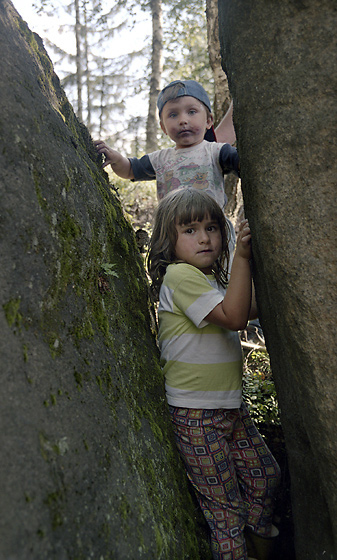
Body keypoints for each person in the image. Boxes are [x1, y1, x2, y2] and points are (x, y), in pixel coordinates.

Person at [147, 188, 281, 560]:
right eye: (189, 230)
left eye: (212, 227)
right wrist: (242, 256)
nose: (205, 237)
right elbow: (235, 317)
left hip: (229, 408)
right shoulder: (179, 277)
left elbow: (248, 305)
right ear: (168, 241)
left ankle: (259, 544)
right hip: (196, 416)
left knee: (265, 475)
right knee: (226, 512)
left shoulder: (211, 281)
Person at [94, 79, 239, 212]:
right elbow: (130, 169)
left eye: (192, 112)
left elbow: (244, 163)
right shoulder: (160, 159)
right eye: (173, 115)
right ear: (163, 128)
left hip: (211, 231)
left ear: (208, 121)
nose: (183, 120)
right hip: (174, 234)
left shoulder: (216, 151)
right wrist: (117, 159)